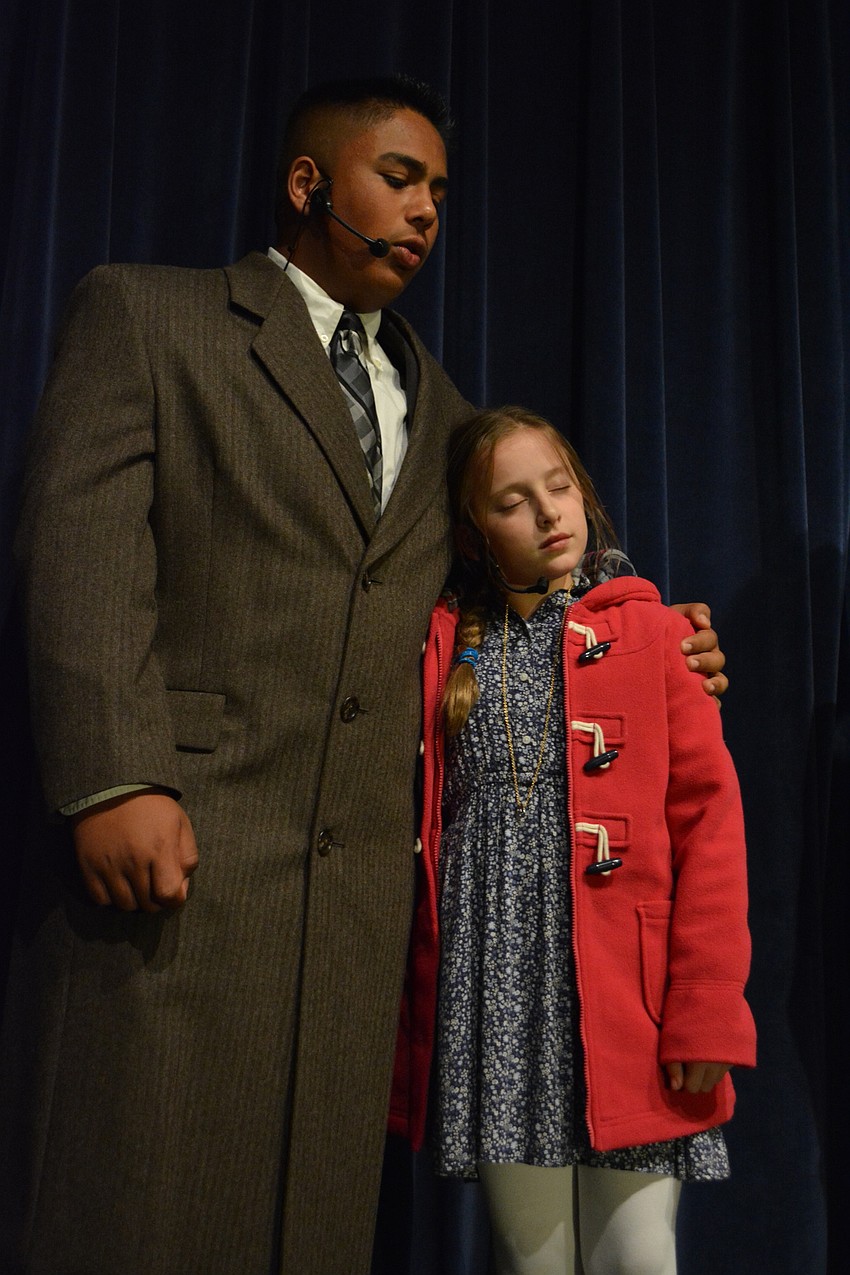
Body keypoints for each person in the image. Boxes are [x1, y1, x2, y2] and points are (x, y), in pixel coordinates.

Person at [0, 77, 727, 1275]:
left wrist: (648, 631)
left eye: (441, 191)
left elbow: (515, 591)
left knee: (305, 1225)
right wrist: (109, 776)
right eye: (400, 178)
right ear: (308, 184)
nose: (427, 210)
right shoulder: (147, 316)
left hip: (350, 918)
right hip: (178, 856)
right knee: (127, 1195)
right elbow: (77, 547)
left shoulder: (442, 411)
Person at [389, 407, 756, 1274]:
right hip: (500, 1000)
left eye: (559, 489)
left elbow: (711, 824)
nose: (551, 514)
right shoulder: (442, 648)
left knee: (637, 1256)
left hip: (627, 998)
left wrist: (709, 1008)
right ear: (475, 531)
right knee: (534, 1262)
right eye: (515, 501)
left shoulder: (656, 633)